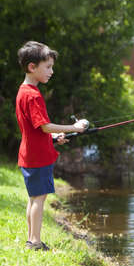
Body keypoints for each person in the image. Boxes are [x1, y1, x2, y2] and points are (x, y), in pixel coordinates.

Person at [15, 41, 88, 251]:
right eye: (48, 67)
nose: (52, 71)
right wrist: (73, 128)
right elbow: (45, 126)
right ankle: (35, 242)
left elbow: (36, 129)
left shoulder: (23, 91)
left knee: (33, 198)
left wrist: (55, 138)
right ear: (32, 67)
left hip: (29, 154)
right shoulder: (33, 95)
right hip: (38, 157)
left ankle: (31, 239)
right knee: (39, 198)